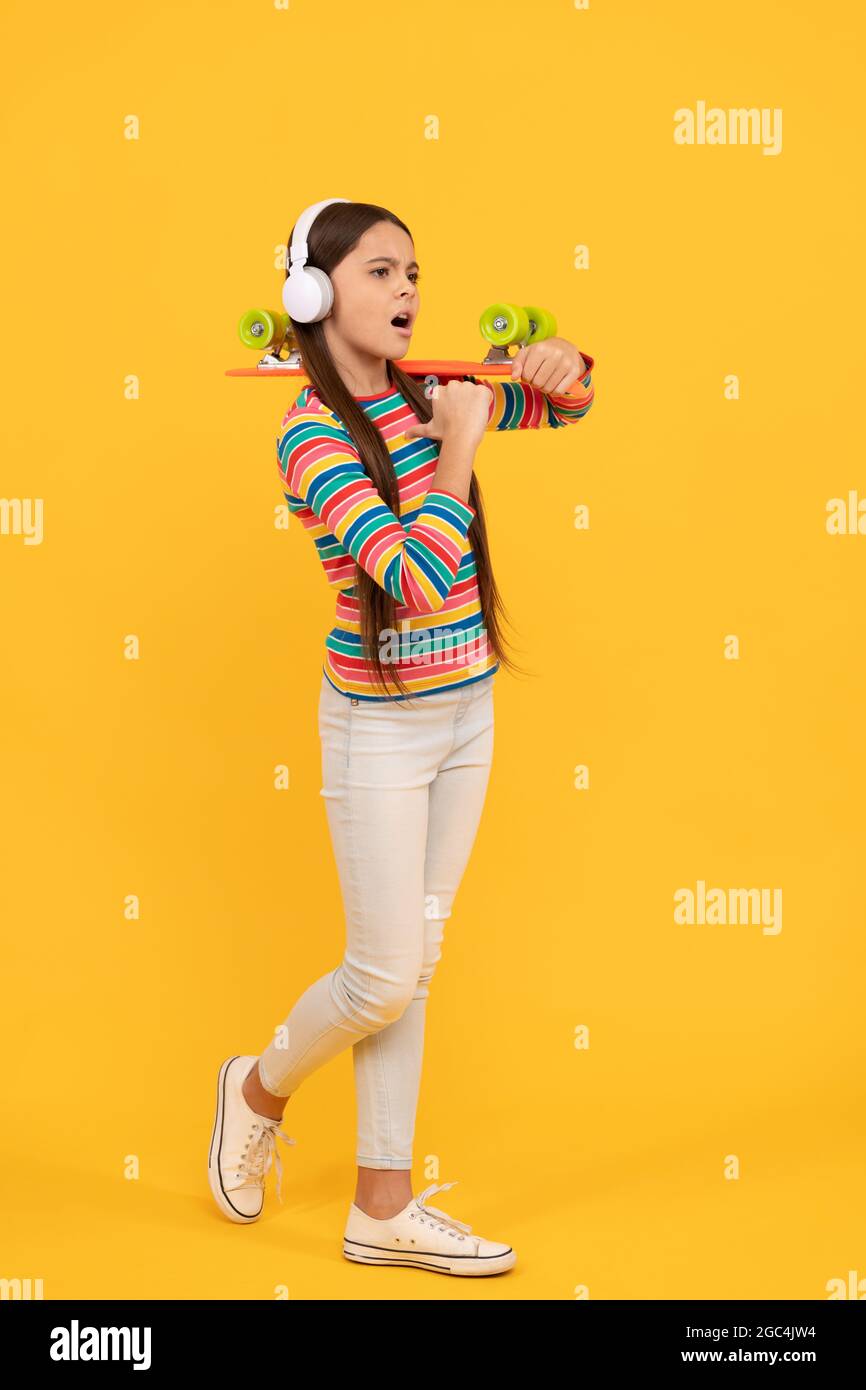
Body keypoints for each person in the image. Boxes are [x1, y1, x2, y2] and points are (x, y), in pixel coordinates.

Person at [208, 198, 595, 1276]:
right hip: (375, 729)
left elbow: (565, 409)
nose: (409, 292)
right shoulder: (308, 435)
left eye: (413, 272)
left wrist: (560, 369)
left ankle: (381, 1206)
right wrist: (458, 445)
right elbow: (418, 581)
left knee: (411, 967)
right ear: (314, 295)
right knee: (380, 974)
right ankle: (255, 1088)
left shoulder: (426, 390)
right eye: (381, 272)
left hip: (465, 711)